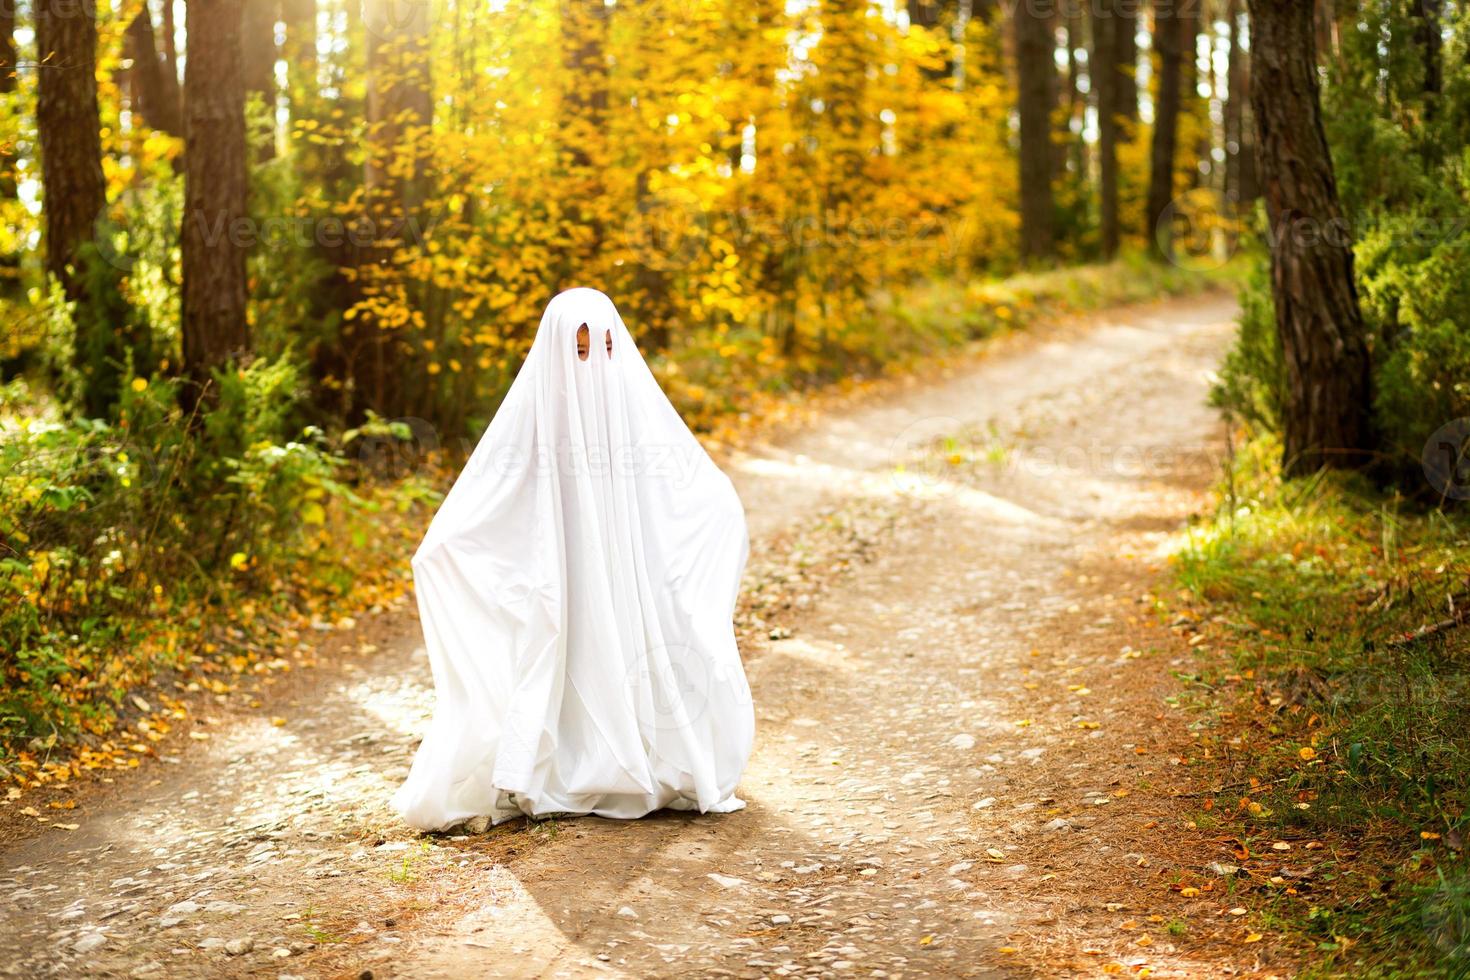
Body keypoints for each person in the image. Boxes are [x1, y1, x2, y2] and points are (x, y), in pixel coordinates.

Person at [391, 287, 754, 831]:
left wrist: (717, 510)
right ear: (557, 350)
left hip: (629, 578)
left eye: (604, 348)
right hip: (562, 580)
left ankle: (641, 760)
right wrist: (447, 551)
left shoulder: (630, 413)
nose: (593, 364)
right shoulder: (536, 417)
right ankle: (561, 763)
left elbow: (683, 487)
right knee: (565, 653)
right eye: (579, 351)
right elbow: (493, 495)